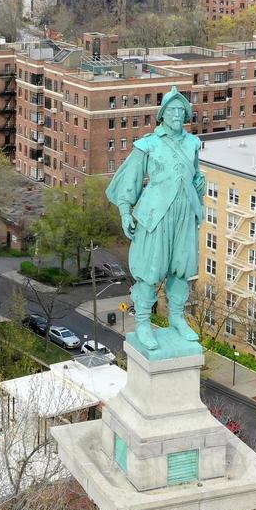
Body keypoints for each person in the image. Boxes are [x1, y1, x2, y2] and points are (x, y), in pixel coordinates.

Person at [105, 87, 206, 352]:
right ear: (162, 115)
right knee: (149, 273)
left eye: (180, 110)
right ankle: (142, 322)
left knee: (181, 270)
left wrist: (199, 183)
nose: (176, 114)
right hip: (156, 215)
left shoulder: (193, 143)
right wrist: (126, 212)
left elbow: (193, 175)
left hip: (184, 214)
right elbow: (130, 181)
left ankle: (176, 318)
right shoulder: (148, 145)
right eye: (171, 110)